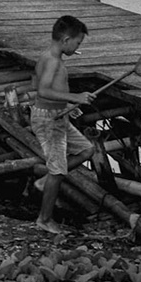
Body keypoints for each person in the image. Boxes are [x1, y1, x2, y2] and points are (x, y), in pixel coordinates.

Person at [32, 14, 95, 234]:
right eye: (78, 42)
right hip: (49, 120)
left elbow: (36, 83)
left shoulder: (48, 57)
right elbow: (42, 90)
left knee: (87, 150)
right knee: (58, 170)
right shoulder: (51, 60)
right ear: (66, 39)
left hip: (59, 115)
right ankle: (44, 219)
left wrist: (67, 103)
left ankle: (45, 181)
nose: (78, 47)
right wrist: (76, 97)